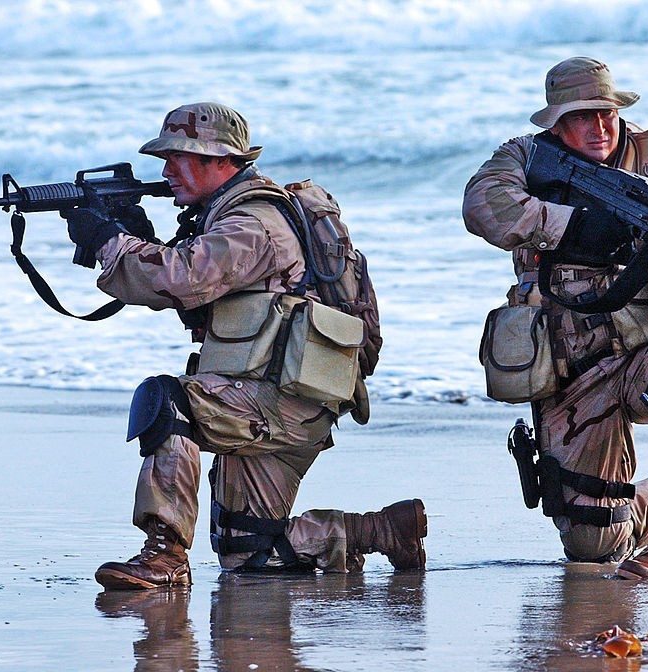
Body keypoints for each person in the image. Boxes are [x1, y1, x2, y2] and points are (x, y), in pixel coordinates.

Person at [64, 102, 426, 589]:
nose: (167, 170)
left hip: (278, 402)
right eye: (165, 159)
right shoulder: (231, 215)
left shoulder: (252, 222)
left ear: (220, 159)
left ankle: (164, 556)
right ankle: (383, 530)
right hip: (289, 397)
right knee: (250, 552)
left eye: (178, 157)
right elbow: (196, 294)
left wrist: (110, 240)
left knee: (167, 401)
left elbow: (183, 278)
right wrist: (134, 237)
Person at [462, 57, 648, 579]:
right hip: (571, 367)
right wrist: (576, 227)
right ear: (557, 122)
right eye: (582, 116)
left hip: (645, 353)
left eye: (607, 113)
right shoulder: (526, 157)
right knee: (594, 546)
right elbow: (483, 206)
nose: (600, 127)